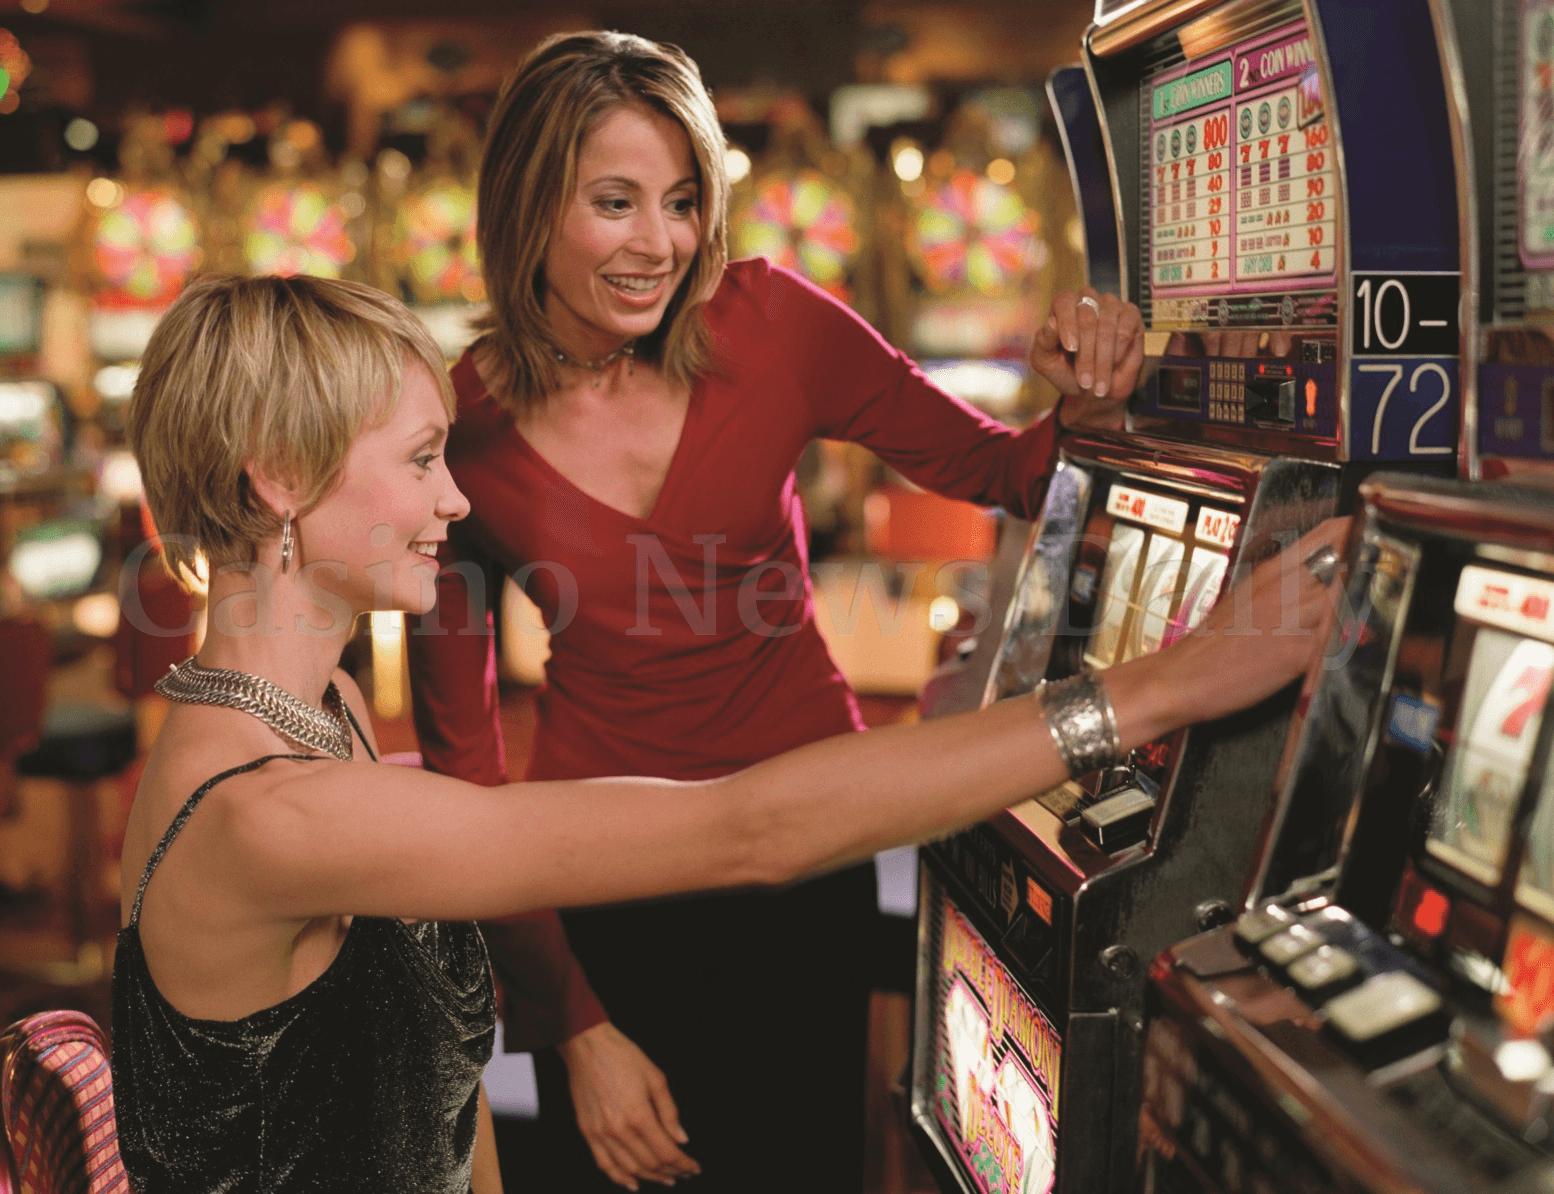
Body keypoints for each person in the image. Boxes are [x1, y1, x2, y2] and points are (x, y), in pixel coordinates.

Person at [112, 271, 1343, 1193]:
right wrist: (1162, 689)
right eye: (422, 458)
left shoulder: (294, 715)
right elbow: (743, 828)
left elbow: (428, 1107)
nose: (457, 496)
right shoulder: (270, 813)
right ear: (277, 475)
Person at [406, 30, 1149, 1194]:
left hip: (810, 852)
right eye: (614, 202)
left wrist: (1087, 385)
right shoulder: (461, 430)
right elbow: (463, 769)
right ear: (527, 206)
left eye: (682, 200)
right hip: (605, 890)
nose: (659, 242)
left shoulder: (772, 324)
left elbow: (1011, 473)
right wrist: (576, 1028)